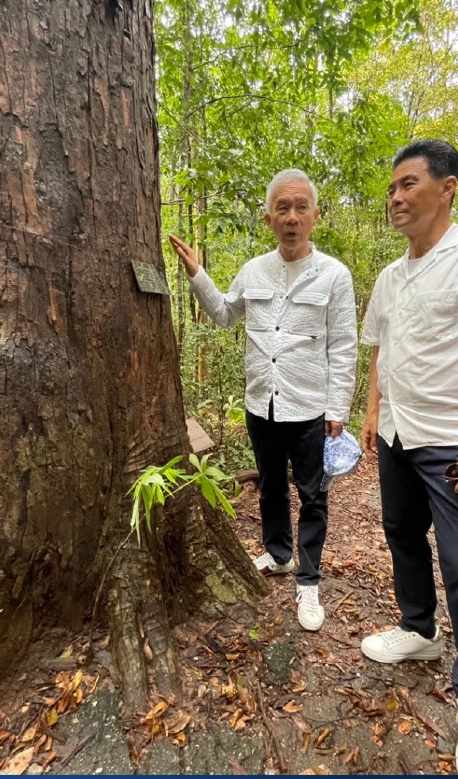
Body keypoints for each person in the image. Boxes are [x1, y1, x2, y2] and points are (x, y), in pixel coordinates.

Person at [358, 138, 458, 776]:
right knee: (401, 533)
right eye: (392, 188)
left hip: (454, 441)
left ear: (447, 187)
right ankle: (419, 630)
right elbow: (380, 350)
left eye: (408, 184)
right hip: (398, 434)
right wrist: (372, 412)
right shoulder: (389, 276)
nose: (395, 197)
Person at [168, 168, 358, 632]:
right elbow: (223, 314)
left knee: (313, 496)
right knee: (271, 486)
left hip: (311, 408)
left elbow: (343, 345)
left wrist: (338, 407)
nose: (292, 217)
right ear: (269, 218)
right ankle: (279, 555)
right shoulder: (254, 270)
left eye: (300, 208)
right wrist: (197, 273)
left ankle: (308, 581)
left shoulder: (334, 275)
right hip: (262, 405)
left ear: (314, 216)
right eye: (282, 208)